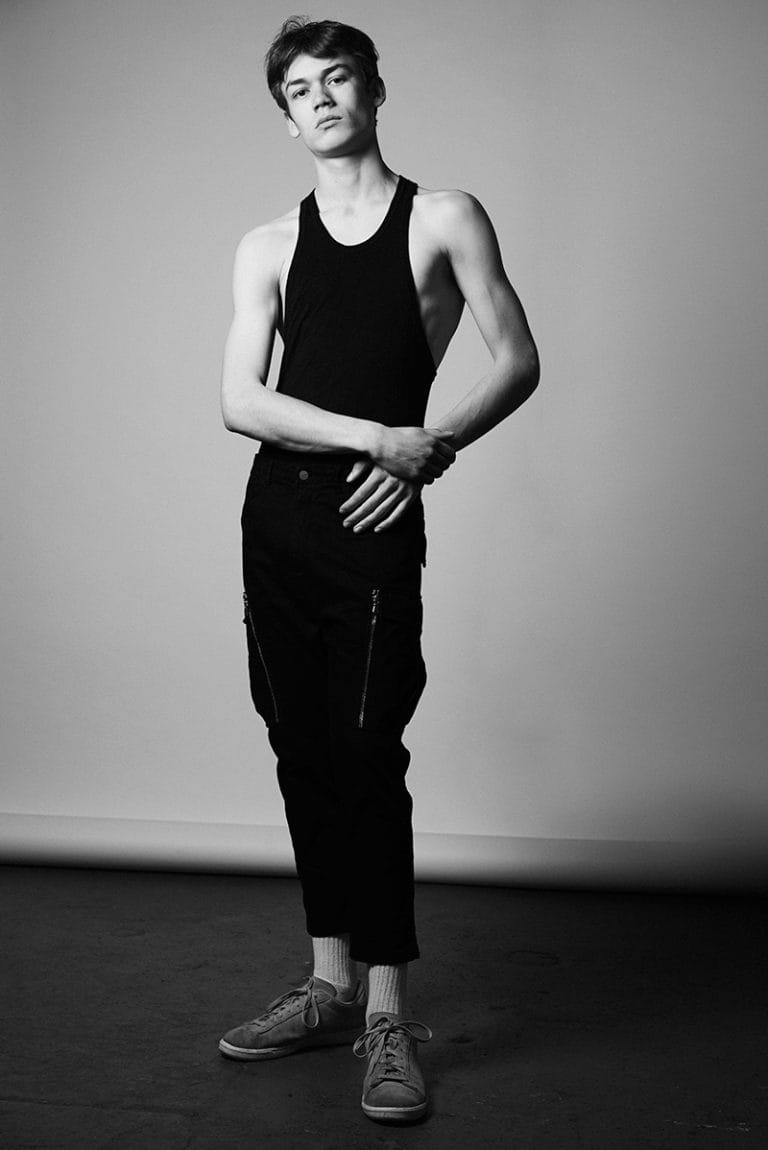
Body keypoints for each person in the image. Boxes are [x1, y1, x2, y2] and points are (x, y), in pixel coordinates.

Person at [218, 15, 539, 1125]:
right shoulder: (266, 244)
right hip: (279, 514)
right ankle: (328, 985)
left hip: (374, 518)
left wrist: (427, 449)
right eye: (299, 89)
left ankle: (388, 1012)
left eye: (338, 78)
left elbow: (517, 359)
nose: (320, 99)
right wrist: (377, 437)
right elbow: (240, 401)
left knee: (366, 749)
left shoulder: (444, 216)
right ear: (287, 115)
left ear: (374, 91)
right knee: (299, 746)